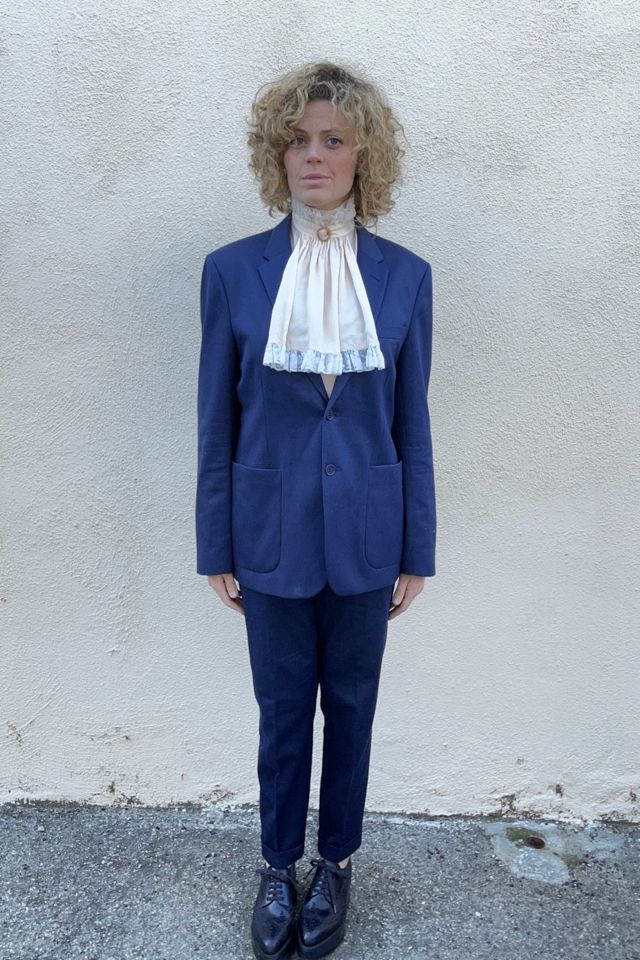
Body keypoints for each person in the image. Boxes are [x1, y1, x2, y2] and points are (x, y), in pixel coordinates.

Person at [196, 60, 436, 960]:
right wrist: (215, 542)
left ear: (363, 153)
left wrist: (417, 546)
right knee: (281, 710)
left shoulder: (406, 277)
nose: (314, 155)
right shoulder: (232, 272)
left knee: (355, 708)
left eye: (333, 139)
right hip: (269, 534)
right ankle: (276, 865)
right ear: (277, 153)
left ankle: (337, 863)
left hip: (370, 536)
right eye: (297, 140)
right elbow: (215, 419)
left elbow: (411, 421)